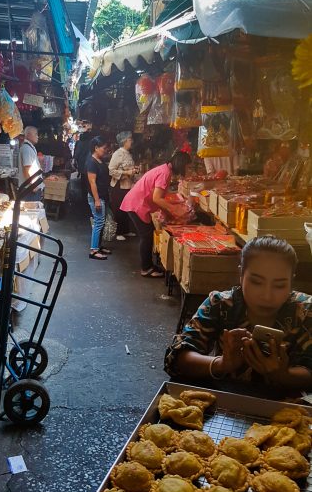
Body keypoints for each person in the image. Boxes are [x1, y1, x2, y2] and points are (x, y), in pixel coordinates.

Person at [164, 236, 312, 392]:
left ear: (291, 282)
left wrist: (283, 375)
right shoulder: (221, 304)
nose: (267, 296)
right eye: (256, 282)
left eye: (280, 285)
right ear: (241, 275)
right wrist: (221, 364)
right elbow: (176, 358)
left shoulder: (305, 311)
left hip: (290, 409)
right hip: (224, 404)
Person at [121, 150, 191, 277]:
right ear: (180, 164)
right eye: (186, 166)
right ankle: (146, 268)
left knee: (148, 234)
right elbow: (157, 198)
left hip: (136, 202)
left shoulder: (165, 170)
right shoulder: (165, 173)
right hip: (137, 204)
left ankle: (149, 266)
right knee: (146, 235)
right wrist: (174, 210)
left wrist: (169, 213)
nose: (186, 169)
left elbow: (160, 198)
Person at [108, 131, 137, 241]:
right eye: (130, 139)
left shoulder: (128, 153)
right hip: (118, 186)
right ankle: (118, 232)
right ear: (124, 141)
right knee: (119, 209)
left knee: (127, 208)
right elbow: (111, 170)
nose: (131, 141)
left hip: (127, 185)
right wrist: (126, 173)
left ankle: (126, 230)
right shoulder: (118, 154)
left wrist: (133, 170)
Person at [86, 136, 111, 260]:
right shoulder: (92, 162)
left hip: (102, 195)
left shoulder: (99, 160)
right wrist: (96, 200)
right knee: (98, 222)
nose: (105, 150)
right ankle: (94, 250)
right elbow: (92, 183)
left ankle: (98, 246)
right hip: (97, 197)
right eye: (104, 148)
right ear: (96, 148)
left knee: (101, 222)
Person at [18, 126, 44, 201]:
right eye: (36, 134)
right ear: (28, 135)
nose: (37, 136)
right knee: (31, 212)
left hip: (30, 188)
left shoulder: (29, 147)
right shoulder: (27, 149)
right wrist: (33, 186)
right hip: (29, 190)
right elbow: (27, 168)